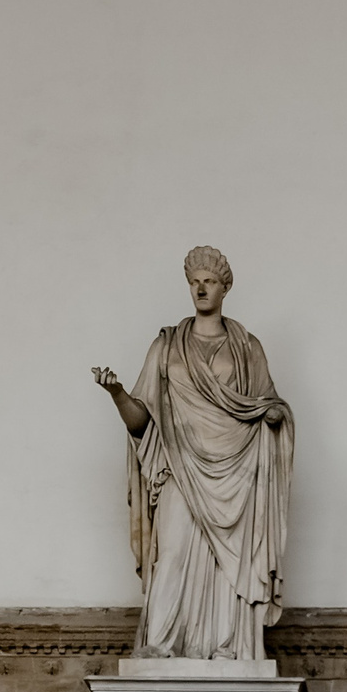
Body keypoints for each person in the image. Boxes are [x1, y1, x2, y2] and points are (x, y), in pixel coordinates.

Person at [91, 246, 293, 662]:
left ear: (225, 288)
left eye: (210, 281)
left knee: (229, 564)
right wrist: (116, 394)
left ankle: (227, 647)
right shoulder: (166, 347)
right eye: (194, 281)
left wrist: (272, 414)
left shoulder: (247, 347)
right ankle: (160, 645)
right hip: (179, 467)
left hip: (235, 469)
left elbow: (266, 404)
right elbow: (141, 422)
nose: (201, 288)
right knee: (174, 552)